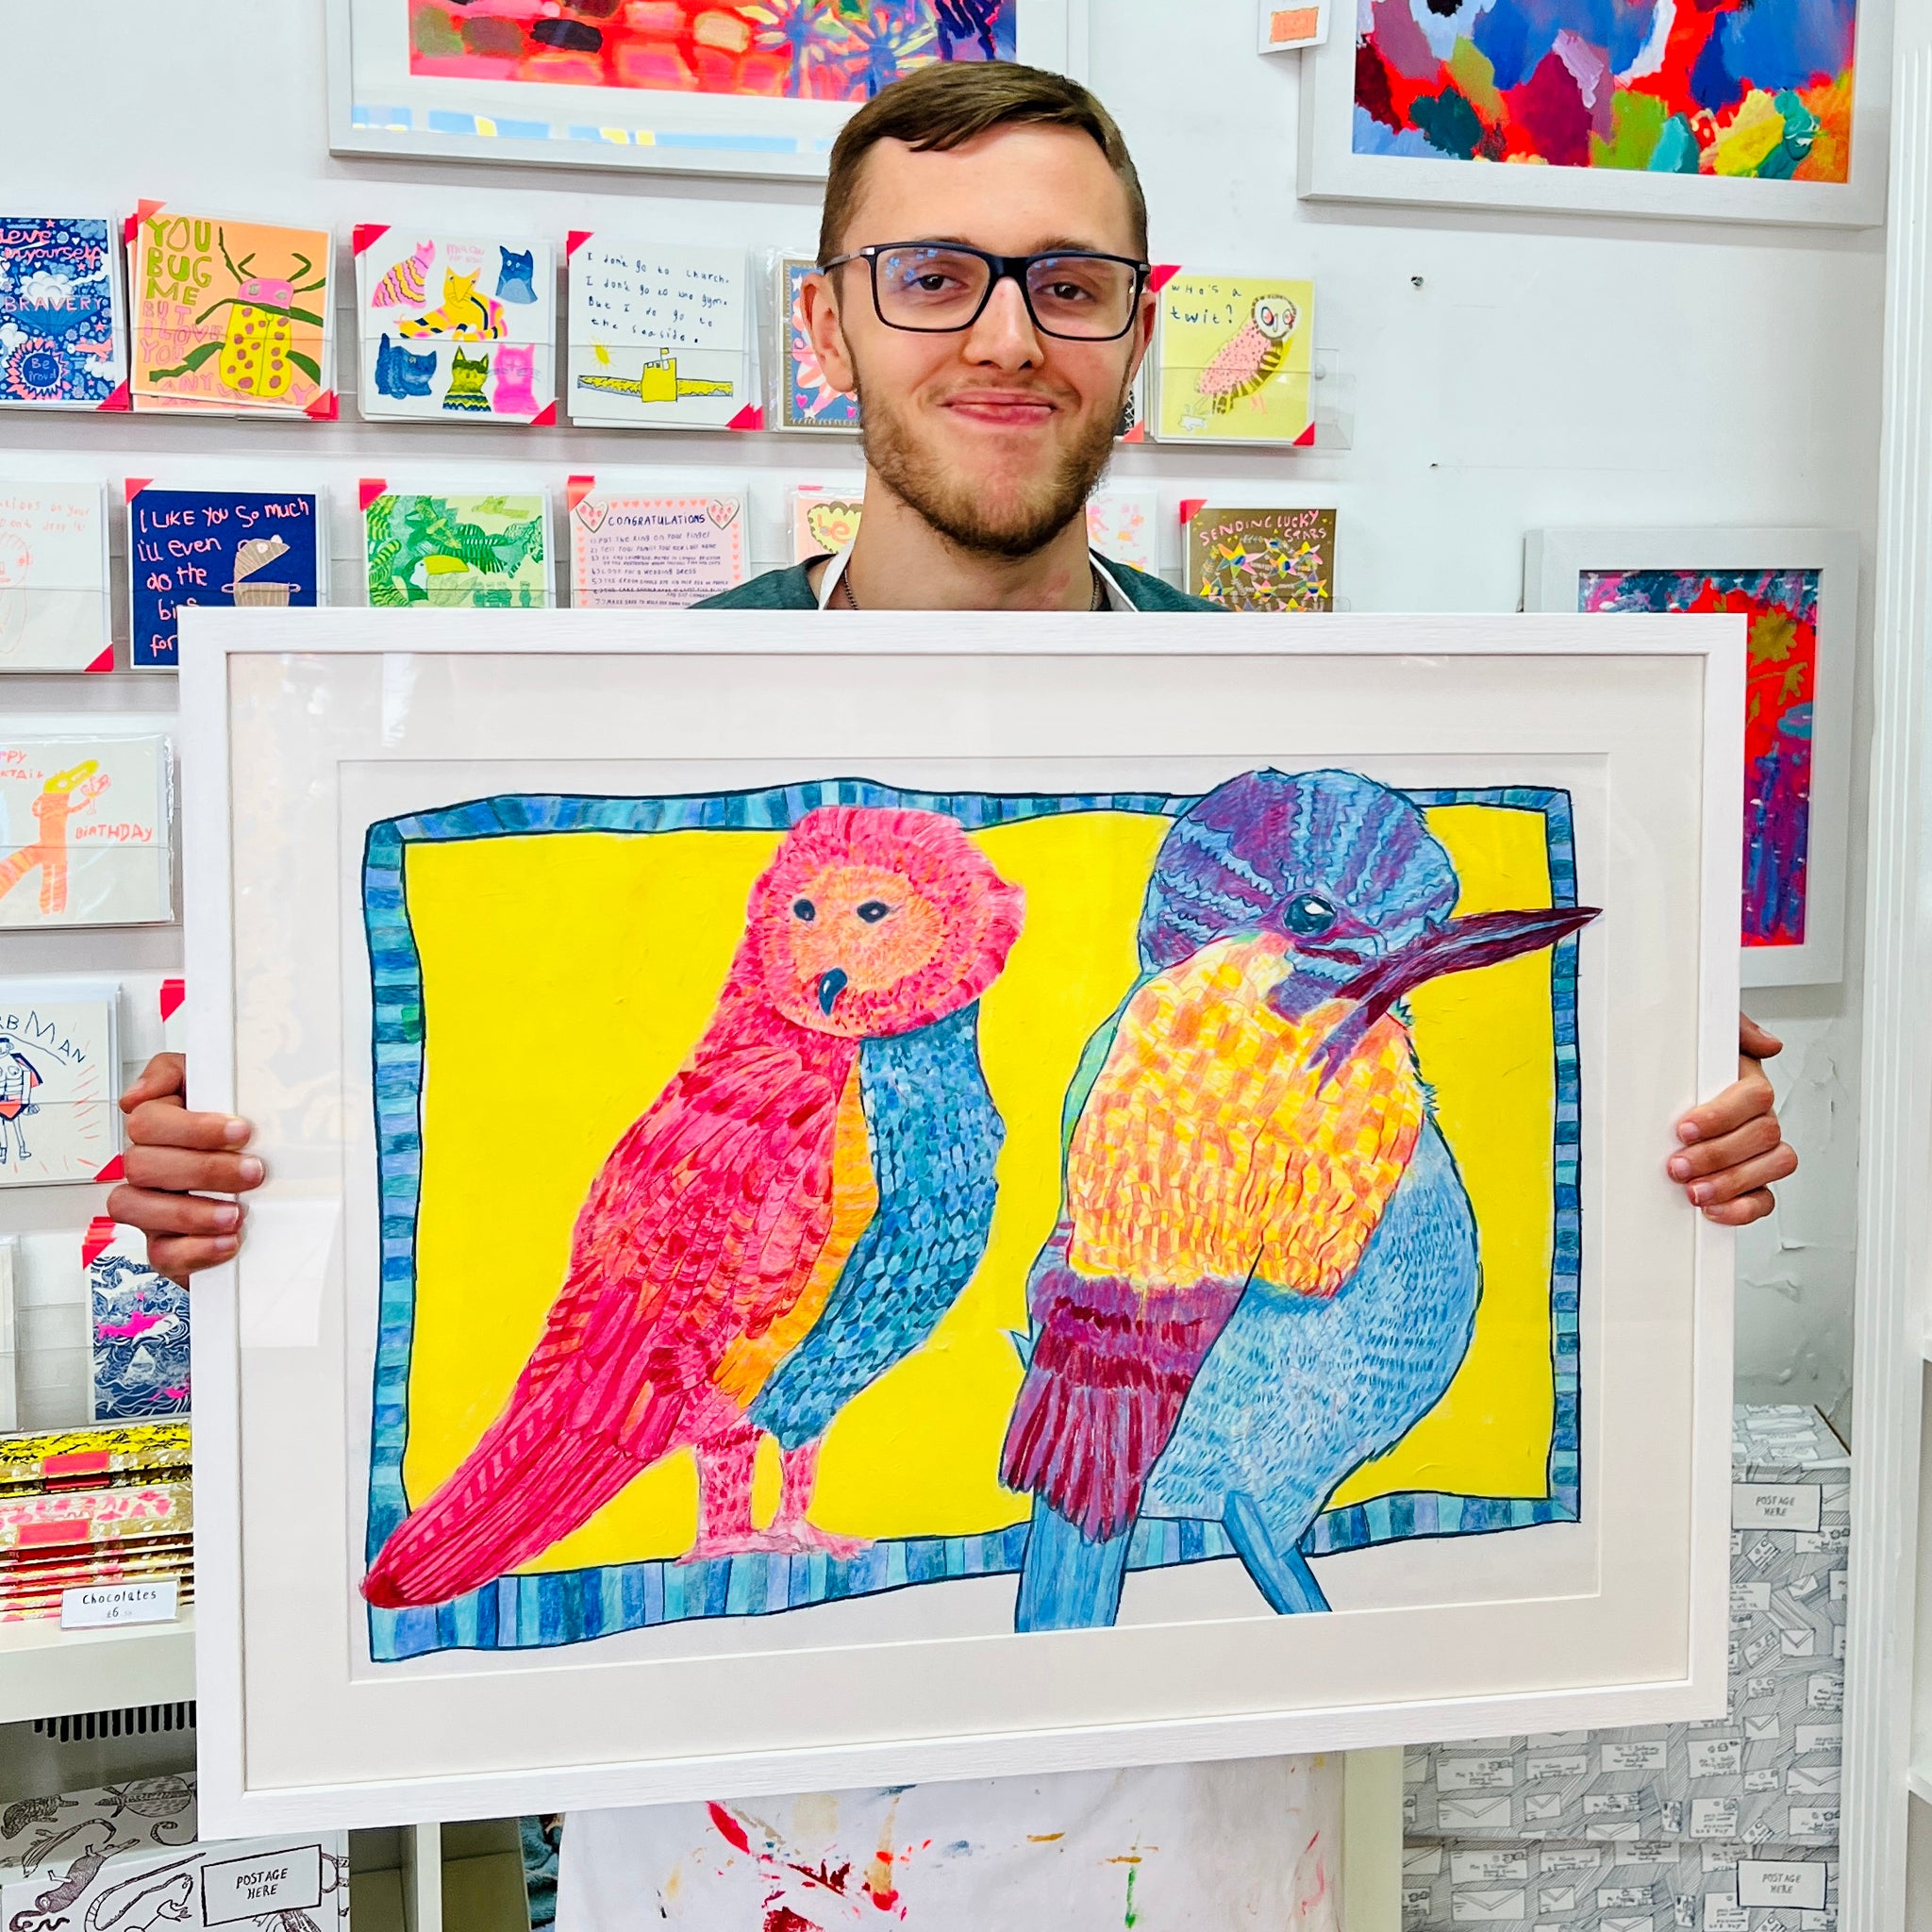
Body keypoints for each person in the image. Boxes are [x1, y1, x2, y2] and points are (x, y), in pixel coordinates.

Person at [108, 59, 1796, 1930]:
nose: (1005, 334)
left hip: (1182, 1773)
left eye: (1070, 283)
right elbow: (451, 1182)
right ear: (827, 318)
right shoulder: (628, 721)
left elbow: (1417, 1114)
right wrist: (249, 1179)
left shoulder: (1303, 739)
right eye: (931, 275)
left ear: (1139, 330)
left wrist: (1658, 1112)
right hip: (733, 1790)